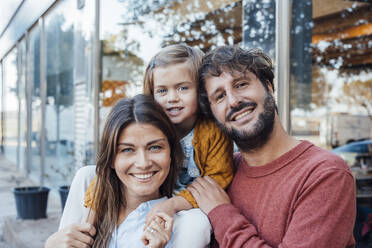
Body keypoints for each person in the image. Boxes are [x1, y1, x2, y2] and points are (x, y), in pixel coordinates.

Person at [188, 45, 356, 247]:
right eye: (220, 96)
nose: (233, 101)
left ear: (268, 87)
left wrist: (221, 213)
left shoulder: (325, 173)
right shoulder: (220, 174)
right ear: (213, 114)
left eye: (241, 84)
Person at [82, 44, 234, 247]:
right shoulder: (150, 126)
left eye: (183, 88)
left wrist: (172, 205)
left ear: (200, 89)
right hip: (154, 192)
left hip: (191, 204)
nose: (172, 98)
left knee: (195, 224)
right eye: (162, 90)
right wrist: (87, 225)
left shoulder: (213, 131)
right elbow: (103, 179)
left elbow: (219, 178)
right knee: (88, 174)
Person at [45, 94, 183, 247]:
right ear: (111, 158)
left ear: (171, 152)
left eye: (155, 147)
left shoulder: (184, 225)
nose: (143, 163)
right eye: (127, 149)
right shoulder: (89, 191)